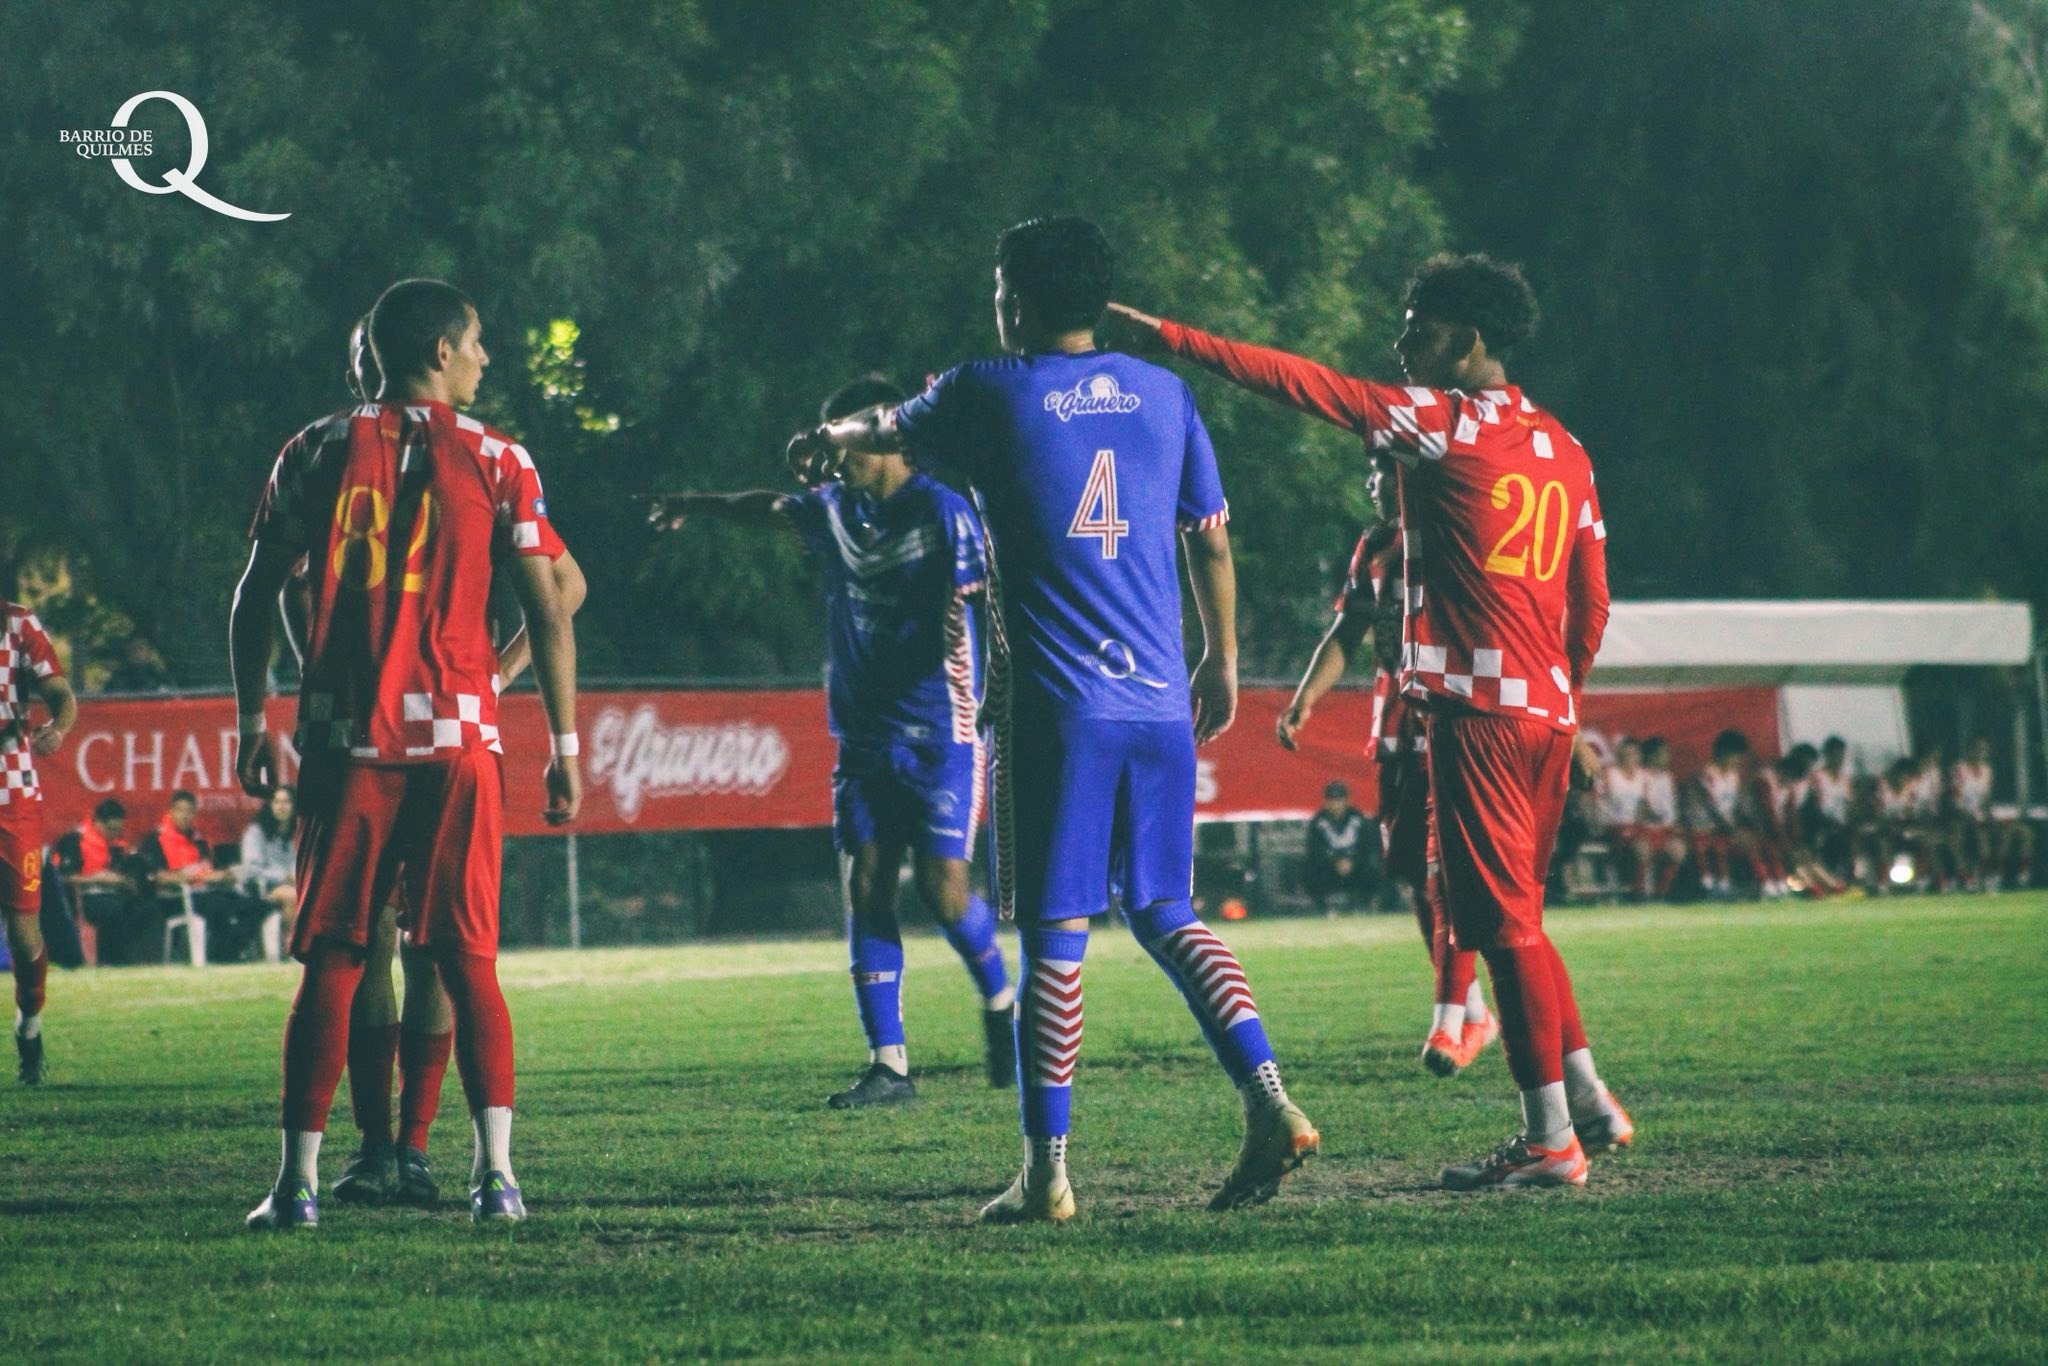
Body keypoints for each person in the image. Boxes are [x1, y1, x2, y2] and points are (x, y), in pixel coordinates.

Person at [791, 216, 1318, 1222]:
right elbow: (1209, 539)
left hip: (1057, 708)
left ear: (1017, 299)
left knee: (1054, 938)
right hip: (1158, 700)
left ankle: (1047, 1173)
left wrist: (830, 438)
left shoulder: (989, 387)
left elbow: (887, 427)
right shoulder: (1167, 393)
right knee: (1167, 910)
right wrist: (1220, 661)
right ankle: (1266, 1097)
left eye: (998, 285)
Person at [1113, 249, 1632, 1190]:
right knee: (1523, 919)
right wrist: (1568, 695)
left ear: (1469, 341)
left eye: (1418, 324)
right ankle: (1584, 1102)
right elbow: (1590, 603)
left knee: (1500, 924)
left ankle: (1550, 1137)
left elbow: (1307, 386)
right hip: (1546, 718)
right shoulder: (1567, 447)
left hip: (1474, 714)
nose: (1401, 341)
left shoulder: (1441, 426)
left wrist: (1168, 338)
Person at [231, 277, 580, 1230]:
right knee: (466, 958)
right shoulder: (501, 456)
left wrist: (251, 718)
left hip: (347, 743)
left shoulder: (313, 448)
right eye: (475, 344)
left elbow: (255, 590)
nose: (485, 359)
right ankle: (495, 1179)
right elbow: (555, 599)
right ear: (437, 349)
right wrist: (562, 741)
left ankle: (298, 1186)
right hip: (458, 743)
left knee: (336, 959)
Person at [649, 376, 1016, 1110]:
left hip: (940, 734)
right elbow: (767, 508)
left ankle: (1002, 1001)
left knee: (946, 897)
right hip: (863, 738)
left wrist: (1000, 689)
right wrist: (696, 505)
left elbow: (995, 603)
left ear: (889, 440)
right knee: (867, 891)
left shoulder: (944, 513)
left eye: (848, 436)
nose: (837, 453)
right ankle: (890, 1066)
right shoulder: (835, 510)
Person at [317, 312, 588, 1209]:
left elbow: (565, 585)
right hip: (387, 732)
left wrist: (498, 670)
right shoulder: (356, 455)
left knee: (424, 948)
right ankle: (377, 1148)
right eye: (477, 342)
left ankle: (413, 1144)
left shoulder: (468, 455)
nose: (485, 356)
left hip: (434, 729)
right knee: (386, 942)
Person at [1275, 463, 1494, 1075]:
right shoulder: (1375, 544)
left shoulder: (1456, 526)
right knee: (1411, 873)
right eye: (1368, 467)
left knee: (1441, 872)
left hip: (1450, 713)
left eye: (1381, 466)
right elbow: (1349, 628)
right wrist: (1304, 699)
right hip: (1396, 721)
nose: (1371, 478)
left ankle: (1450, 1022)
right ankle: (1474, 1009)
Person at [0, 600, 77, 1083]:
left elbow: (61, 694)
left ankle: (30, 1026)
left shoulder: (18, 622)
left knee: (23, 925)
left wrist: (60, 727)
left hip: (13, 794)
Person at [136, 790, 265, 958]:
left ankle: (232, 949)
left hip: (207, 891)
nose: (184, 816)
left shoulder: (199, 840)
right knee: (219, 906)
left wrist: (225, 876)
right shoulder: (155, 840)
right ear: (171, 811)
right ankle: (223, 956)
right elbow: (159, 877)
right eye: (180, 810)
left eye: (189, 811)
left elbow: (209, 869)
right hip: (175, 898)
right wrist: (199, 877)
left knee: (257, 906)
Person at [45, 797, 137, 966]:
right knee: (114, 910)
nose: (114, 835)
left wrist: (123, 881)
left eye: (118, 830)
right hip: (82, 897)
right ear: (97, 822)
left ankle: (134, 961)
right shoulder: (73, 840)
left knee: (142, 907)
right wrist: (94, 879)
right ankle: (112, 962)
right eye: (111, 830)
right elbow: (61, 878)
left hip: (113, 894)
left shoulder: (118, 845)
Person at [1952, 737, 2033, 891]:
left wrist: (1989, 814)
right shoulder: (1960, 769)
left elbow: (1986, 798)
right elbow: (1956, 797)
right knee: (1982, 836)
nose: (1981, 753)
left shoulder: (1987, 771)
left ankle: (2015, 872)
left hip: (1983, 814)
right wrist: (1969, 814)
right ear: (1970, 750)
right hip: (1965, 815)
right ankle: (1985, 873)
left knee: (2017, 832)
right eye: (1978, 749)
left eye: (1984, 750)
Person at [240, 785, 299, 943]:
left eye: (286, 802)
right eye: (276, 802)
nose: (281, 807)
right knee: (292, 896)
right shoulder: (256, 832)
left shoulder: (300, 832)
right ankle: (292, 946)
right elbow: (252, 870)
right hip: (261, 889)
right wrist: (283, 877)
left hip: (296, 884)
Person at [1303, 780, 1373, 909]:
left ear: (1347, 801)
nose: (1336, 805)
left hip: (1356, 866)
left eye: (1339, 800)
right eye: (1332, 801)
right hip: (1329, 868)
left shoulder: (1358, 818)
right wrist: (1335, 862)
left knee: (1375, 868)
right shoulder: (1318, 821)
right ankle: (1322, 907)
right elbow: (1314, 850)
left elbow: (1367, 846)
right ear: (1326, 802)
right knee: (1308, 871)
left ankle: (1368, 904)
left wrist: (1353, 861)